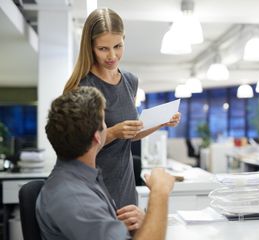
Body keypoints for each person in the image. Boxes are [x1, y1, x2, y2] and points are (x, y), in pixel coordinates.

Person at [63, 8, 180, 230]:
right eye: (103, 49)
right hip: (92, 186)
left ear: (124, 40)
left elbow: (131, 134)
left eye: (118, 46)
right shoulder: (82, 86)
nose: (112, 56)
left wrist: (160, 122)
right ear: (90, 47)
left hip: (124, 182)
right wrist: (114, 131)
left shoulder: (129, 81)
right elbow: (77, 148)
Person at [36, 86, 175, 240]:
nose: (107, 127)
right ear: (97, 137)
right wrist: (159, 192)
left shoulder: (83, 178)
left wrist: (141, 223)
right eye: (104, 122)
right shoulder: (76, 199)